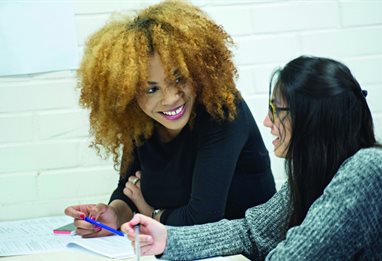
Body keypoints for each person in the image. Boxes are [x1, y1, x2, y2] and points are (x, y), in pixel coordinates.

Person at [122, 56, 382, 260]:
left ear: (313, 118)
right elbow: (251, 232)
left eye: (276, 110)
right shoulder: (319, 174)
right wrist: (166, 239)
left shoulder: (366, 170)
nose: (267, 122)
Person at [64, 0, 276, 237]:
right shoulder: (140, 120)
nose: (171, 98)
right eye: (151, 89)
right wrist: (113, 214)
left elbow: (203, 220)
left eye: (179, 78)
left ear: (197, 71)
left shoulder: (222, 111)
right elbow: (129, 190)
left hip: (244, 251)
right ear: (129, 95)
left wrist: (152, 213)